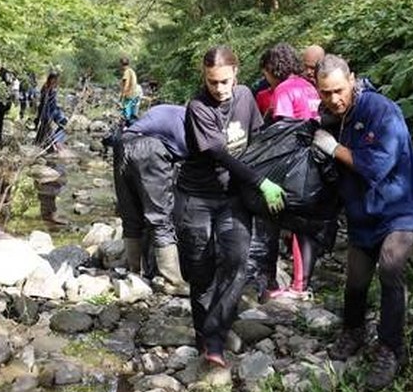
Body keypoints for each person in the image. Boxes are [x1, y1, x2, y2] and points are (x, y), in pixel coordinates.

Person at [312, 54, 413, 392]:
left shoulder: (380, 110)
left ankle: (391, 349)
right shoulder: (334, 116)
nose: (333, 99)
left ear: (353, 80)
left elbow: (378, 165)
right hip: (363, 213)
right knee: (357, 277)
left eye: (338, 90)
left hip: (400, 207)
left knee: (390, 266)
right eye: (325, 93)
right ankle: (354, 331)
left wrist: (334, 149)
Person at [176, 45, 286, 368]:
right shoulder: (197, 107)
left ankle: (214, 339)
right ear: (204, 77)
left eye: (225, 81)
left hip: (234, 196)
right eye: (213, 82)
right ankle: (203, 336)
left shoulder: (246, 98)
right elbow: (221, 155)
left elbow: (257, 139)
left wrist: (276, 172)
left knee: (237, 262)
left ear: (236, 74)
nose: (220, 89)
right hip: (197, 197)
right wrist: (260, 182)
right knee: (201, 270)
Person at [248, 43, 327, 300]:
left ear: (272, 69)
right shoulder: (308, 86)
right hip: (317, 157)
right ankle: (302, 282)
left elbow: (283, 132)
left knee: (283, 215)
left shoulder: (284, 89)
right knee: (305, 221)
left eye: (266, 74)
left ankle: (288, 285)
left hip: (294, 162)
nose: (265, 79)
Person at [113, 104, 189, 295]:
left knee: (130, 214)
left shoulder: (170, 111)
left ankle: (134, 273)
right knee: (160, 218)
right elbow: (187, 157)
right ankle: (173, 281)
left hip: (122, 143)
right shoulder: (192, 122)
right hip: (150, 150)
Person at [34, 72, 67, 153]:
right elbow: (45, 103)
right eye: (54, 79)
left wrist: (58, 110)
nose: (55, 81)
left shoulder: (52, 88)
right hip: (46, 112)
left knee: (63, 123)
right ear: (51, 79)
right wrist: (48, 115)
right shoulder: (46, 88)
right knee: (46, 127)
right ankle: (53, 144)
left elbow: (53, 104)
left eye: (56, 80)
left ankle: (42, 142)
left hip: (53, 111)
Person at [119, 57, 142, 123]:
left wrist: (122, 96)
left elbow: (126, 84)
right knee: (133, 114)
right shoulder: (132, 71)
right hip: (136, 94)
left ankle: (128, 129)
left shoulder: (126, 72)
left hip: (130, 94)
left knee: (127, 114)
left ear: (121, 64)